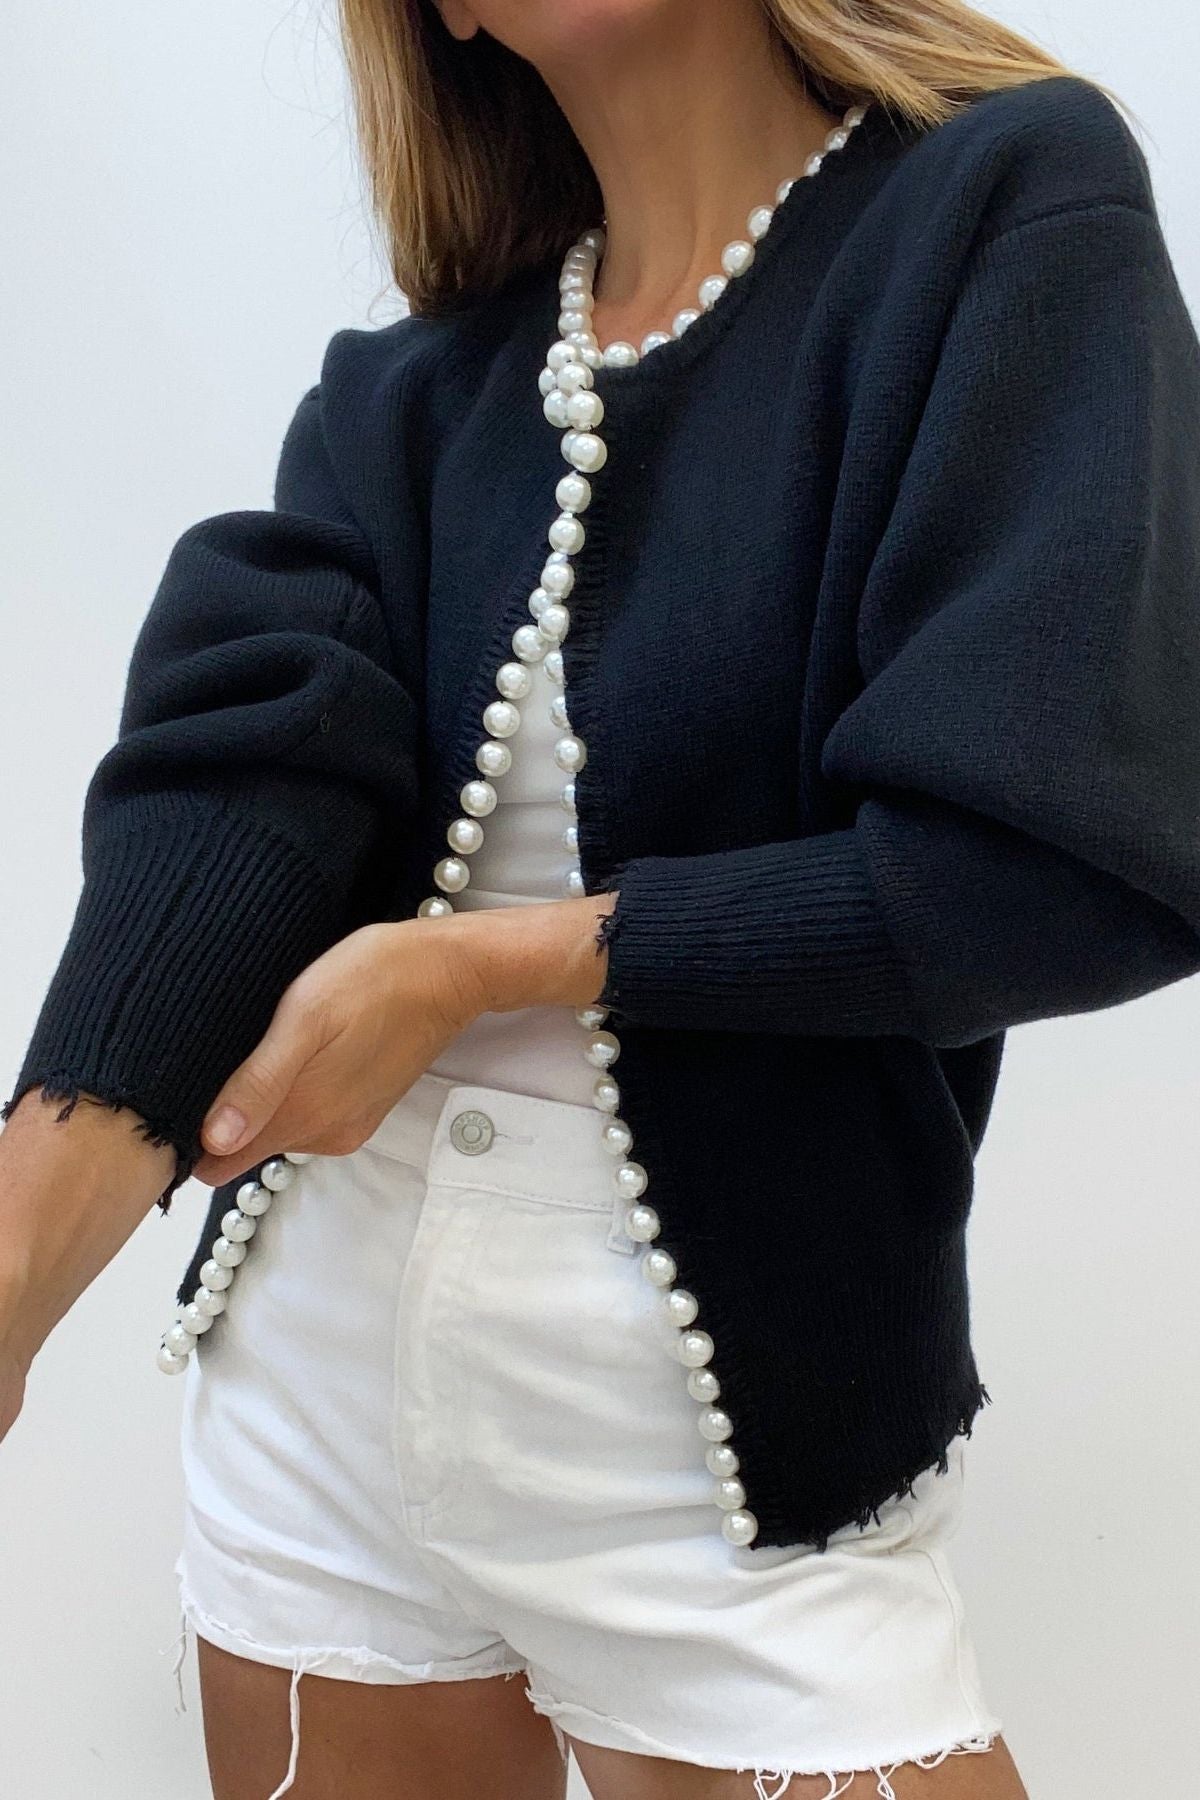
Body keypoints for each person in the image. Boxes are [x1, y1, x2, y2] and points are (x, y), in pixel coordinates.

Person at [3, 2, 1199, 1796]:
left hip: (721, 1441)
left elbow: (1058, 863)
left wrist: (484, 967)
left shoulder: (1006, 206)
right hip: (319, 1384)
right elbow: (240, 788)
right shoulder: (420, 392)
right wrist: (16, 1270)